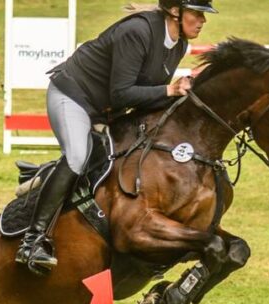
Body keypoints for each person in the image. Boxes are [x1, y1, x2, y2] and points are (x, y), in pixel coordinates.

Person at [16, 0, 217, 275]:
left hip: (105, 109)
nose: (202, 21)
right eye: (197, 13)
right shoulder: (137, 32)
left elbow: (147, 96)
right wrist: (170, 90)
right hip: (73, 95)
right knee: (77, 157)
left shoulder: (178, 45)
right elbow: (122, 93)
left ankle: (45, 175)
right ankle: (32, 241)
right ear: (175, 11)